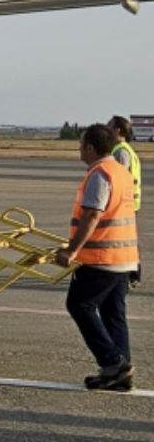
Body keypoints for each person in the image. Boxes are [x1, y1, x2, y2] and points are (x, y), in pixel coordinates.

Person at [55, 123, 139, 391]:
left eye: (81, 145)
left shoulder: (100, 174)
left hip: (103, 257)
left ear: (91, 148)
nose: (79, 150)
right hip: (124, 256)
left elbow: (92, 215)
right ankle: (119, 373)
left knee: (79, 305)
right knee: (113, 314)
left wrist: (71, 250)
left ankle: (113, 362)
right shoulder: (120, 171)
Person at [109, 114, 143, 287]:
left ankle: (130, 274)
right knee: (129, 238)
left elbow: (118, 179)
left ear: (117, 130)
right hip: (130, 201)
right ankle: (133, 274)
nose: (106, 130)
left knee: (123, 240)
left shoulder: (121, 152)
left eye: (109, 127)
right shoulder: (125, 149)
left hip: (124, 203)